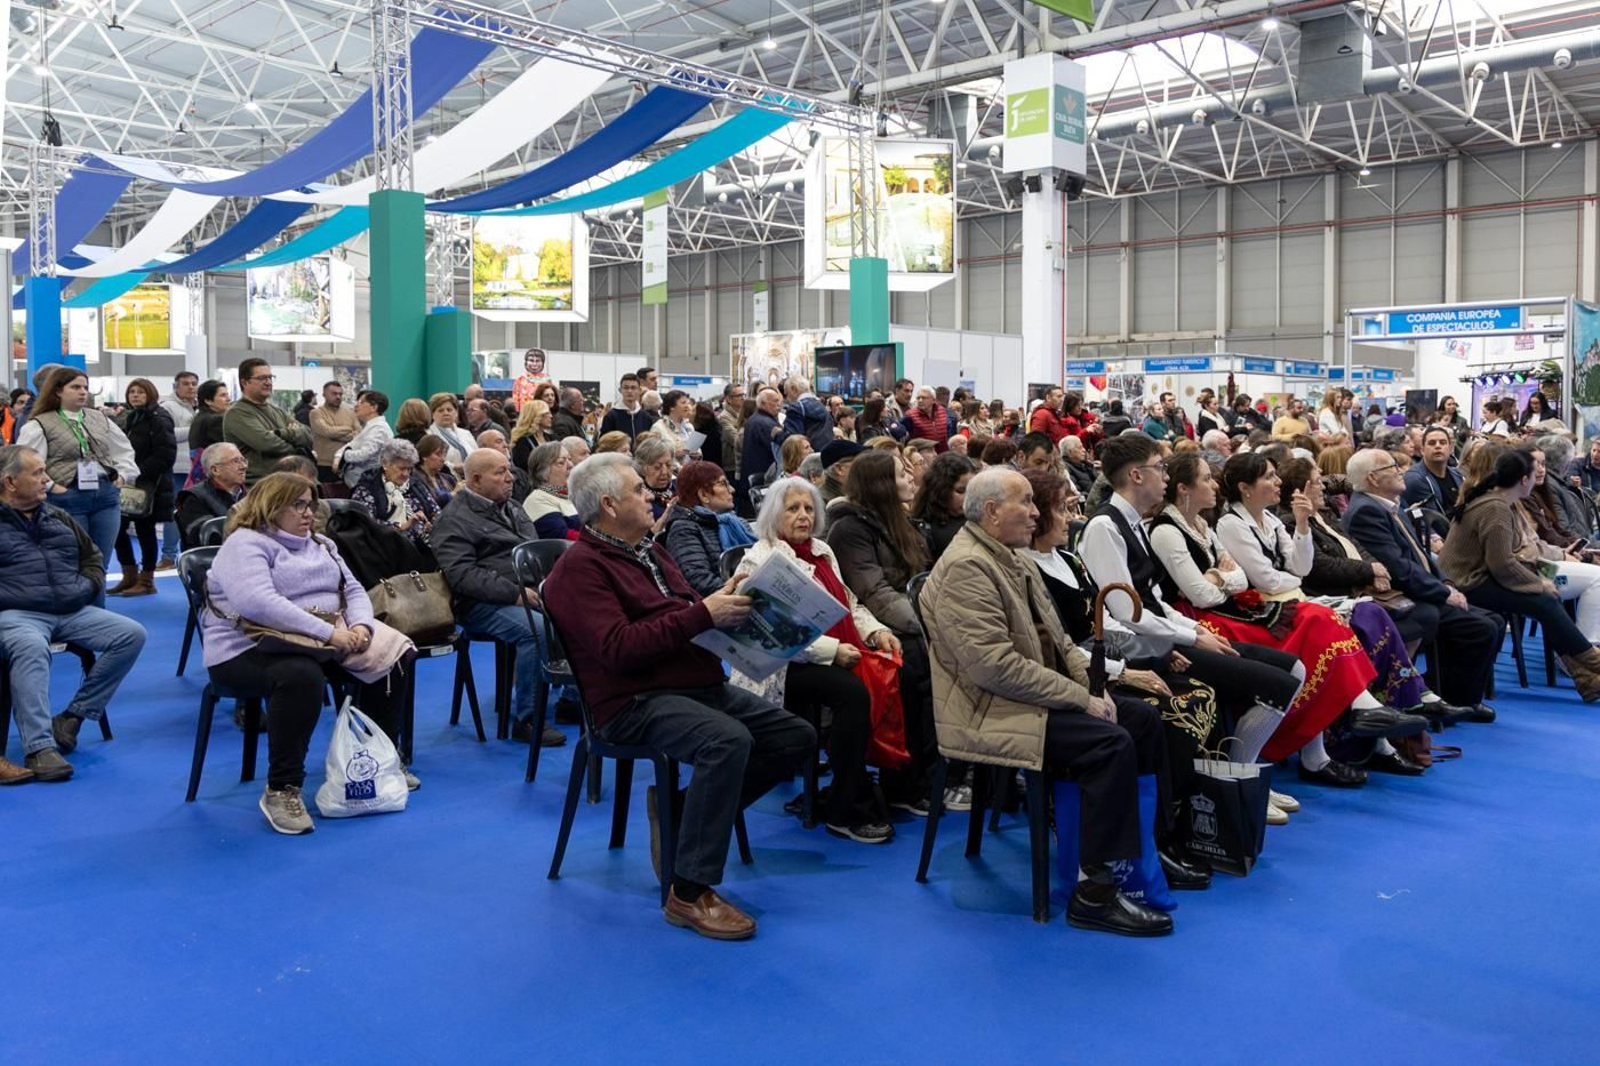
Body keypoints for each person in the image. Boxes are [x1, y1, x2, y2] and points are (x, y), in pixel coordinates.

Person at [543, 454, 812, 939]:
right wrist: (703, 615)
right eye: (639, 491)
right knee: (727, 741)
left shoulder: (648, 548)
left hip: (692, 683)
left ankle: (681, 812)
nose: (652, 496)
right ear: (608, 505)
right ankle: (688, 892)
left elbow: (682, 609)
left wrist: (726, 599)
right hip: (630, 701)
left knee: (796, 736)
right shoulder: (579, 569)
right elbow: (619, 651)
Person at [922, 467, 1182, 936]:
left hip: (1028, 696)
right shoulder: (967, 567)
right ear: (992, 512)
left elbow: (1062, 643)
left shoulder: (1012, 556)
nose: (1037, 512)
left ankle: (1144, 857)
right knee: (1109, 742)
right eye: (1026, 502)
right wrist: (1080, 698)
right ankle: (1094, 891)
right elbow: (994, 668)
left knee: (1141, 719)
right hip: (987, 709)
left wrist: (1095, 686)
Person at [1077, 435, 1307, 767]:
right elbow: (1126, 612)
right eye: (1159, 468)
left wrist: (1197, 630)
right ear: (1136, 475)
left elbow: (1153, 599)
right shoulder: (1104, 526)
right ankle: (1238, 773)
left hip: (1167, 632)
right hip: (1146, 645)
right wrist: (1192, 637)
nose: (1166, 477)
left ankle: (1240, 769)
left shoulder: (1134, 523)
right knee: (1278, 684)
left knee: (1294, 668)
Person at [202, 472, 414, 833]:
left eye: (310, 504)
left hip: (323, 639)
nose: (307, 513)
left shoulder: (322, 543)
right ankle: (282, 787)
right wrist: (331, 634)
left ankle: (373, 759)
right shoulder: (246, 543)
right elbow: (258, 604)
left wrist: (361, 625)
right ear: (270, 507)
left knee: (393, 654)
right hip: (246, 647)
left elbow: (355, 590)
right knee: (300, 676)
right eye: (297, 505)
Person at [731, 477, 897, 845]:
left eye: (808, 508)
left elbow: (847, 602)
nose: (803, 515)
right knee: (851, 693)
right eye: (793, 509)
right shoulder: (760, 559)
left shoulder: (821, 550)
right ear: (774, 515)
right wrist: (832, 652)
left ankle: (887, 783)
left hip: (824, 654)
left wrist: (875, 631)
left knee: (901, 664)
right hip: (776, 666)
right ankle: (845, 806)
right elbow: (772, 630)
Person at [0, 445, 148, 783]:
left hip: (69, 609)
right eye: (37, 473)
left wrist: (85, 588)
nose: (46, 479)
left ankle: (73, 716)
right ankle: (38, 747)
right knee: (30, 649)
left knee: (131, 634)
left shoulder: (57, 515)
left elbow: (92, 557)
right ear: (10, 482)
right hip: (16, 614)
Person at [825, 450, 945, 811]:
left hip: (912, 619)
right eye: (901, 473)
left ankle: (943, 769)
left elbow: (930, 578)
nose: (911, 477)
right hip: (872, 628)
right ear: (881, 486)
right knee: (913, 665)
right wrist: (929, 628)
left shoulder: (904, 522)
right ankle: (905, 779)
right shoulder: (849, 529)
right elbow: (874, 594)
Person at [1341, 449, 1501, 717]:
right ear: (1373, 478)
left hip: (1420, 587)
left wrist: (1446, 583)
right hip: (1400, 595)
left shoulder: (1390, 504)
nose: (1400, 470)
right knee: (1480, 627)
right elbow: (1399, 569)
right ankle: (1458, 700)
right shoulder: (1365, 511)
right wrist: (1442, 593)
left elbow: (1420, 556)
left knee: (1494, 620)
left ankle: (1446, 690)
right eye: (1391, 467)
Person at [1438, 448, 1600, 698]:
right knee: (1546, 600)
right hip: (1467, 582)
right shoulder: (1496, 508)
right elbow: (1502, 565)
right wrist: (1538, 583)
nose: (1539, 477)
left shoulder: (1498, 501)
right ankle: (1591, 660)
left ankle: (1586, 676)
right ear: (1524, 479)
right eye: (1535, 473)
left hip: (1478, 576)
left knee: (1548, 600)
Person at [430, 450, 565, 747]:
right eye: (501, 472)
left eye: (509, 470)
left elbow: (536, 550)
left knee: (582, 613)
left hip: (530, 591)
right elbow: (462, 575)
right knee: (537, 631)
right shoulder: (453, 519)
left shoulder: (513, 507)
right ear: (475, 480)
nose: (511, 477)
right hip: (480, 604)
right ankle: (528, 719)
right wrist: (513, 594)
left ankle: (570, 699)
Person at [18, 367, 139, 582]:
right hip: (66, 498)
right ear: (57, 391)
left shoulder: (100, 419)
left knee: (100, 564)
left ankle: (97, 612)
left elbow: (124, 450)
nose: (83, 392)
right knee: (73, 563)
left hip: (105, 497)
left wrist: (122, 476)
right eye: (75, 387)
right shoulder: (39, 424)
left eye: (85, 387)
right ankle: (76, 612)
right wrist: (52, 487)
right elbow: (27, 464)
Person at [109, 378, 178, 597]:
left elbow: (166, 453)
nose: (135, 395)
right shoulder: (129, 417)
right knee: (118, 529)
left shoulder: (159, 418)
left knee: (145, 531)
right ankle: (129, 574)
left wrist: (137, 472)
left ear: (150, 394)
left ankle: (147, 580)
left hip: (150, 484)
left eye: (140, 392)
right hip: (129, 482)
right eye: (132, 392)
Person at [660, 460, 753, 598]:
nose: (732, 489)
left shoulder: (736, 522)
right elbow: (699, 582)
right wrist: (749, 591)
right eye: (723, 484)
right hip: (726, 606)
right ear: (704, 495)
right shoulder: (683, 530)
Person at [223, 358, 313, 485]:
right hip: (260, 485)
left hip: (289, 480)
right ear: (244, 382)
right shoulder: (237, 413)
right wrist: (297, 446)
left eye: (270, 377)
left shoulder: (278, 411)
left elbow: (308, 435)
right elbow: (267, 444)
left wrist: (281, 433)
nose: (268, 382)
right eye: (261, 378)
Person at [350, 439, 434, 547]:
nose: (406, 474)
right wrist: (401, 526)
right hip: (387, 547)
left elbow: (435, 510)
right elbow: (366, 524)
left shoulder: (415, 484)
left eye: (409, 469)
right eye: (401, 468)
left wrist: (431, 523)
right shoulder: (367, 488)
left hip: (423, 544)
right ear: (385, 464)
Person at [157, 371, 199, 570]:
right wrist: (196, 429)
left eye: (193, 383)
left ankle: (188, 554)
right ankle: (168, 555)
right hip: (177, 468)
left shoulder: (197, 407)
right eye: (186, 383)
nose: (190, 387)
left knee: (190, 514)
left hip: (195, 468)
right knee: (174, 514)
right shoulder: (167, 407)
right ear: (176, 386)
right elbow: (166, 435)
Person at [175, 443, 247, 549]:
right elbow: (207, 538)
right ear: (215, 470)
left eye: (243, 460)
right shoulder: (194, 498)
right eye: (235, 461)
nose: (243, 466)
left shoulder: (253, 495)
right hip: (213, 561)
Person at [911, 452, 976, 562]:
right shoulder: (926, 529)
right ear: (941, 490)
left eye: (972, 489)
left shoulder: (977, 518)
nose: (968, 496)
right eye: (960, 491)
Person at [1401, 424, 1463, 519]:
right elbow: (1433, 521)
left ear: (1450, 449)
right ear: (1422, 450)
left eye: (1442, 442)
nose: (1438, 446)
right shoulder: (1414, 479)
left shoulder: (1457, 474)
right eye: (1432, 443)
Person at [335, 390, 394, 488]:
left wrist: (344, 455)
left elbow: (364, 455)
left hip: (368, 484)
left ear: (374, 407)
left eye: (361, 402)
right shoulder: (371, 426)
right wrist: (339, 454)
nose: (356, 406)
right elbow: (351, 445)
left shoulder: (379, 429)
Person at [521, 441, 580, 540]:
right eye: (561, 462)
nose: (570, 465)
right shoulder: (537, 500)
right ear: (543, 472)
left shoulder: (571, 495)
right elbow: (562, 536)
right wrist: (599, 541)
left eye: (570, 459)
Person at [308, 381, 358, 483]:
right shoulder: (316, 413)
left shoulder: (350, 412)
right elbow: (327, 431)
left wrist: (335, 435)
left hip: (347, 465)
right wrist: (348, 429)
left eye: (340, 394)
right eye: (334, 394)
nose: (338, 397)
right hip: (324, 465)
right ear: (324, 394)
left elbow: (358, 435)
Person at [425, 392, 477, 471]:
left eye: (449, 410)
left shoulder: (466, 433)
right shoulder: (428, 435)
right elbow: (429, 461)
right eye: (440, 410)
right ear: (432, 414)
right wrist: (454, 467)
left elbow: (477, 455)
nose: (446, 413)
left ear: (456, 413)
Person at [782, 377, 835, 453]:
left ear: (794, 389)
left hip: (808, 458)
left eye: (786, 393)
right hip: (826, 455)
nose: (786, 398)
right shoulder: (822, 406)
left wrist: (777, 434)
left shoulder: (796, 408)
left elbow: (792, 440)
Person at [600, 373, 658, 439]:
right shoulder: (611, 416)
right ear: (620, 390)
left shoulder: (645, 416)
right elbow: (604, 442)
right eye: (626, 388)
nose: (629, 391)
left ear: (639, 390)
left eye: (633, 388)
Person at [409, 434, 456, 516]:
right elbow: (428, 506)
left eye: (444, 454)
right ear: (424, 455)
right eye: (438, 454)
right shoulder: (413, 480)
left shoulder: (448, 479)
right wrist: (453, 493)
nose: (443, 459)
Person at [635, 435, 677, 522]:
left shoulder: (681, 488)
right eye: (657, 467)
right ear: (643, 468)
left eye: (669, 465)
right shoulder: (638, 499)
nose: (664, 472)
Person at [510, 398, 556, 474]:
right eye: (547, 413)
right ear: (537, 416)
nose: (551, 416)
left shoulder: (550, 437)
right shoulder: (522, 441)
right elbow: (524, 467)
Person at [899, 387, 950, 453]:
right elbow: (900, 434)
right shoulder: (910, 415)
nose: (920, 400)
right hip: (922, 454)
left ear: (933, 400)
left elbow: (948, 431)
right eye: (918, 398)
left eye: (924, 398)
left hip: (942, 453)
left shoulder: (942, 411)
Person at [653, 390, 699, 459]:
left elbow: (696, 448)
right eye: (683, 403)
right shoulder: (658, 427)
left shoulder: (689, 426)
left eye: (688, 403)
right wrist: (674, 453)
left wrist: (697, 454)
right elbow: (653, 454)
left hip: (690, 468)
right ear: (672, 407)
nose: (687, 406)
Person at [818, 439, 862, 504]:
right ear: (839, 469)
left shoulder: (849, 494)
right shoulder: (822, 502)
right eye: (859, 463)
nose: (864, 468)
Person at [716, 386, 744, 480]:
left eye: (743, 395)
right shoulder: (724, 417)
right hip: (732, 466)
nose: (743, 398)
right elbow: (736, 439)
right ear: (729, 399)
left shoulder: (741, 414)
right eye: (739, 395)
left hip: (741, 463)